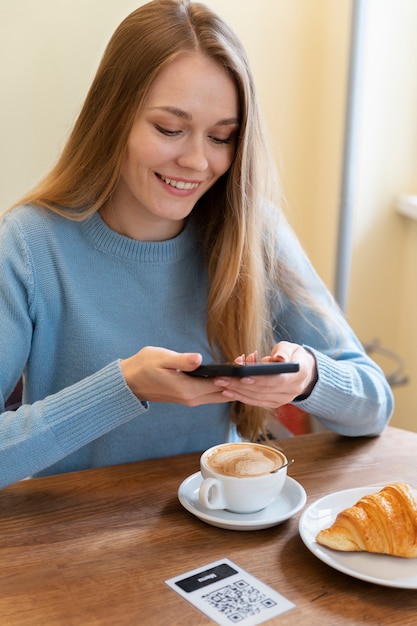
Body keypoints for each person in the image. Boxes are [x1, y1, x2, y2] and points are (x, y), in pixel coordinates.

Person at [0, 0, 393, 489]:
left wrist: (309, 378)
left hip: (214, 531)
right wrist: (123, 387)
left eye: (221, 137)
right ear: (113, 117)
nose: (197, 161)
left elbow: (375, 404)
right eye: (170, 129)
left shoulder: (254, 233)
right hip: (74, 546)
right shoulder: (29, 245)